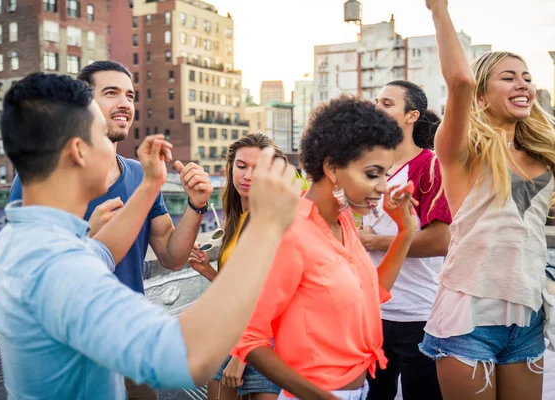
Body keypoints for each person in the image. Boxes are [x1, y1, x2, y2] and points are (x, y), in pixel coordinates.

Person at [0, 72, 302, 400]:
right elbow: (191, 359)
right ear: (79, 151)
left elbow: (99, 251)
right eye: (103, 137)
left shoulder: (24, 240)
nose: (113, 146)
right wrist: (265, 228)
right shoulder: (61, 271)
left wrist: (150, 184)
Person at [232, 96, 419, 399]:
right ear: (331, 167)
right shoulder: (290, 232)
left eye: (386, 174)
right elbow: (249, 337)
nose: (383, 186)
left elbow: (370, 295)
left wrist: (405, 232)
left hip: (361, 389)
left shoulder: (342, 221)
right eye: (372, 174)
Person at [420, 1, 555, 399]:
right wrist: (439, 10)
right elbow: (459, 80)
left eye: (527, 78)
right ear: (481, 96)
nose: (523, 84)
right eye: (508, 77)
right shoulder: (460, 151)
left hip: (527, 317)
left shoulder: (544, 154)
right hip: (469, 319)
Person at [9, 61, 210, 295]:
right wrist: (87, 239)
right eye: (111, 93)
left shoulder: (142, 177)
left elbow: (172, 257)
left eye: (129, 96)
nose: (124, 103)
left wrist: (196, 205)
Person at [361, 80, 450, 400]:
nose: (376, 108)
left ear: (412, 116)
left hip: (418, 316)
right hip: (374, 312)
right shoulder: (370, 167)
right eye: (375, 101)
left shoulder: (430, 165)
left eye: (386, 103)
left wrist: (375, 241)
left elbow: (441, 241)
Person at [188, 133, 285, 400]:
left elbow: (270, 295)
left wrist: (242, 354)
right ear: (230, 167)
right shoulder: (237, 216)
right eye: (242, 166)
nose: (248, 175)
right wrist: (208, 270)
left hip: (265, 342)